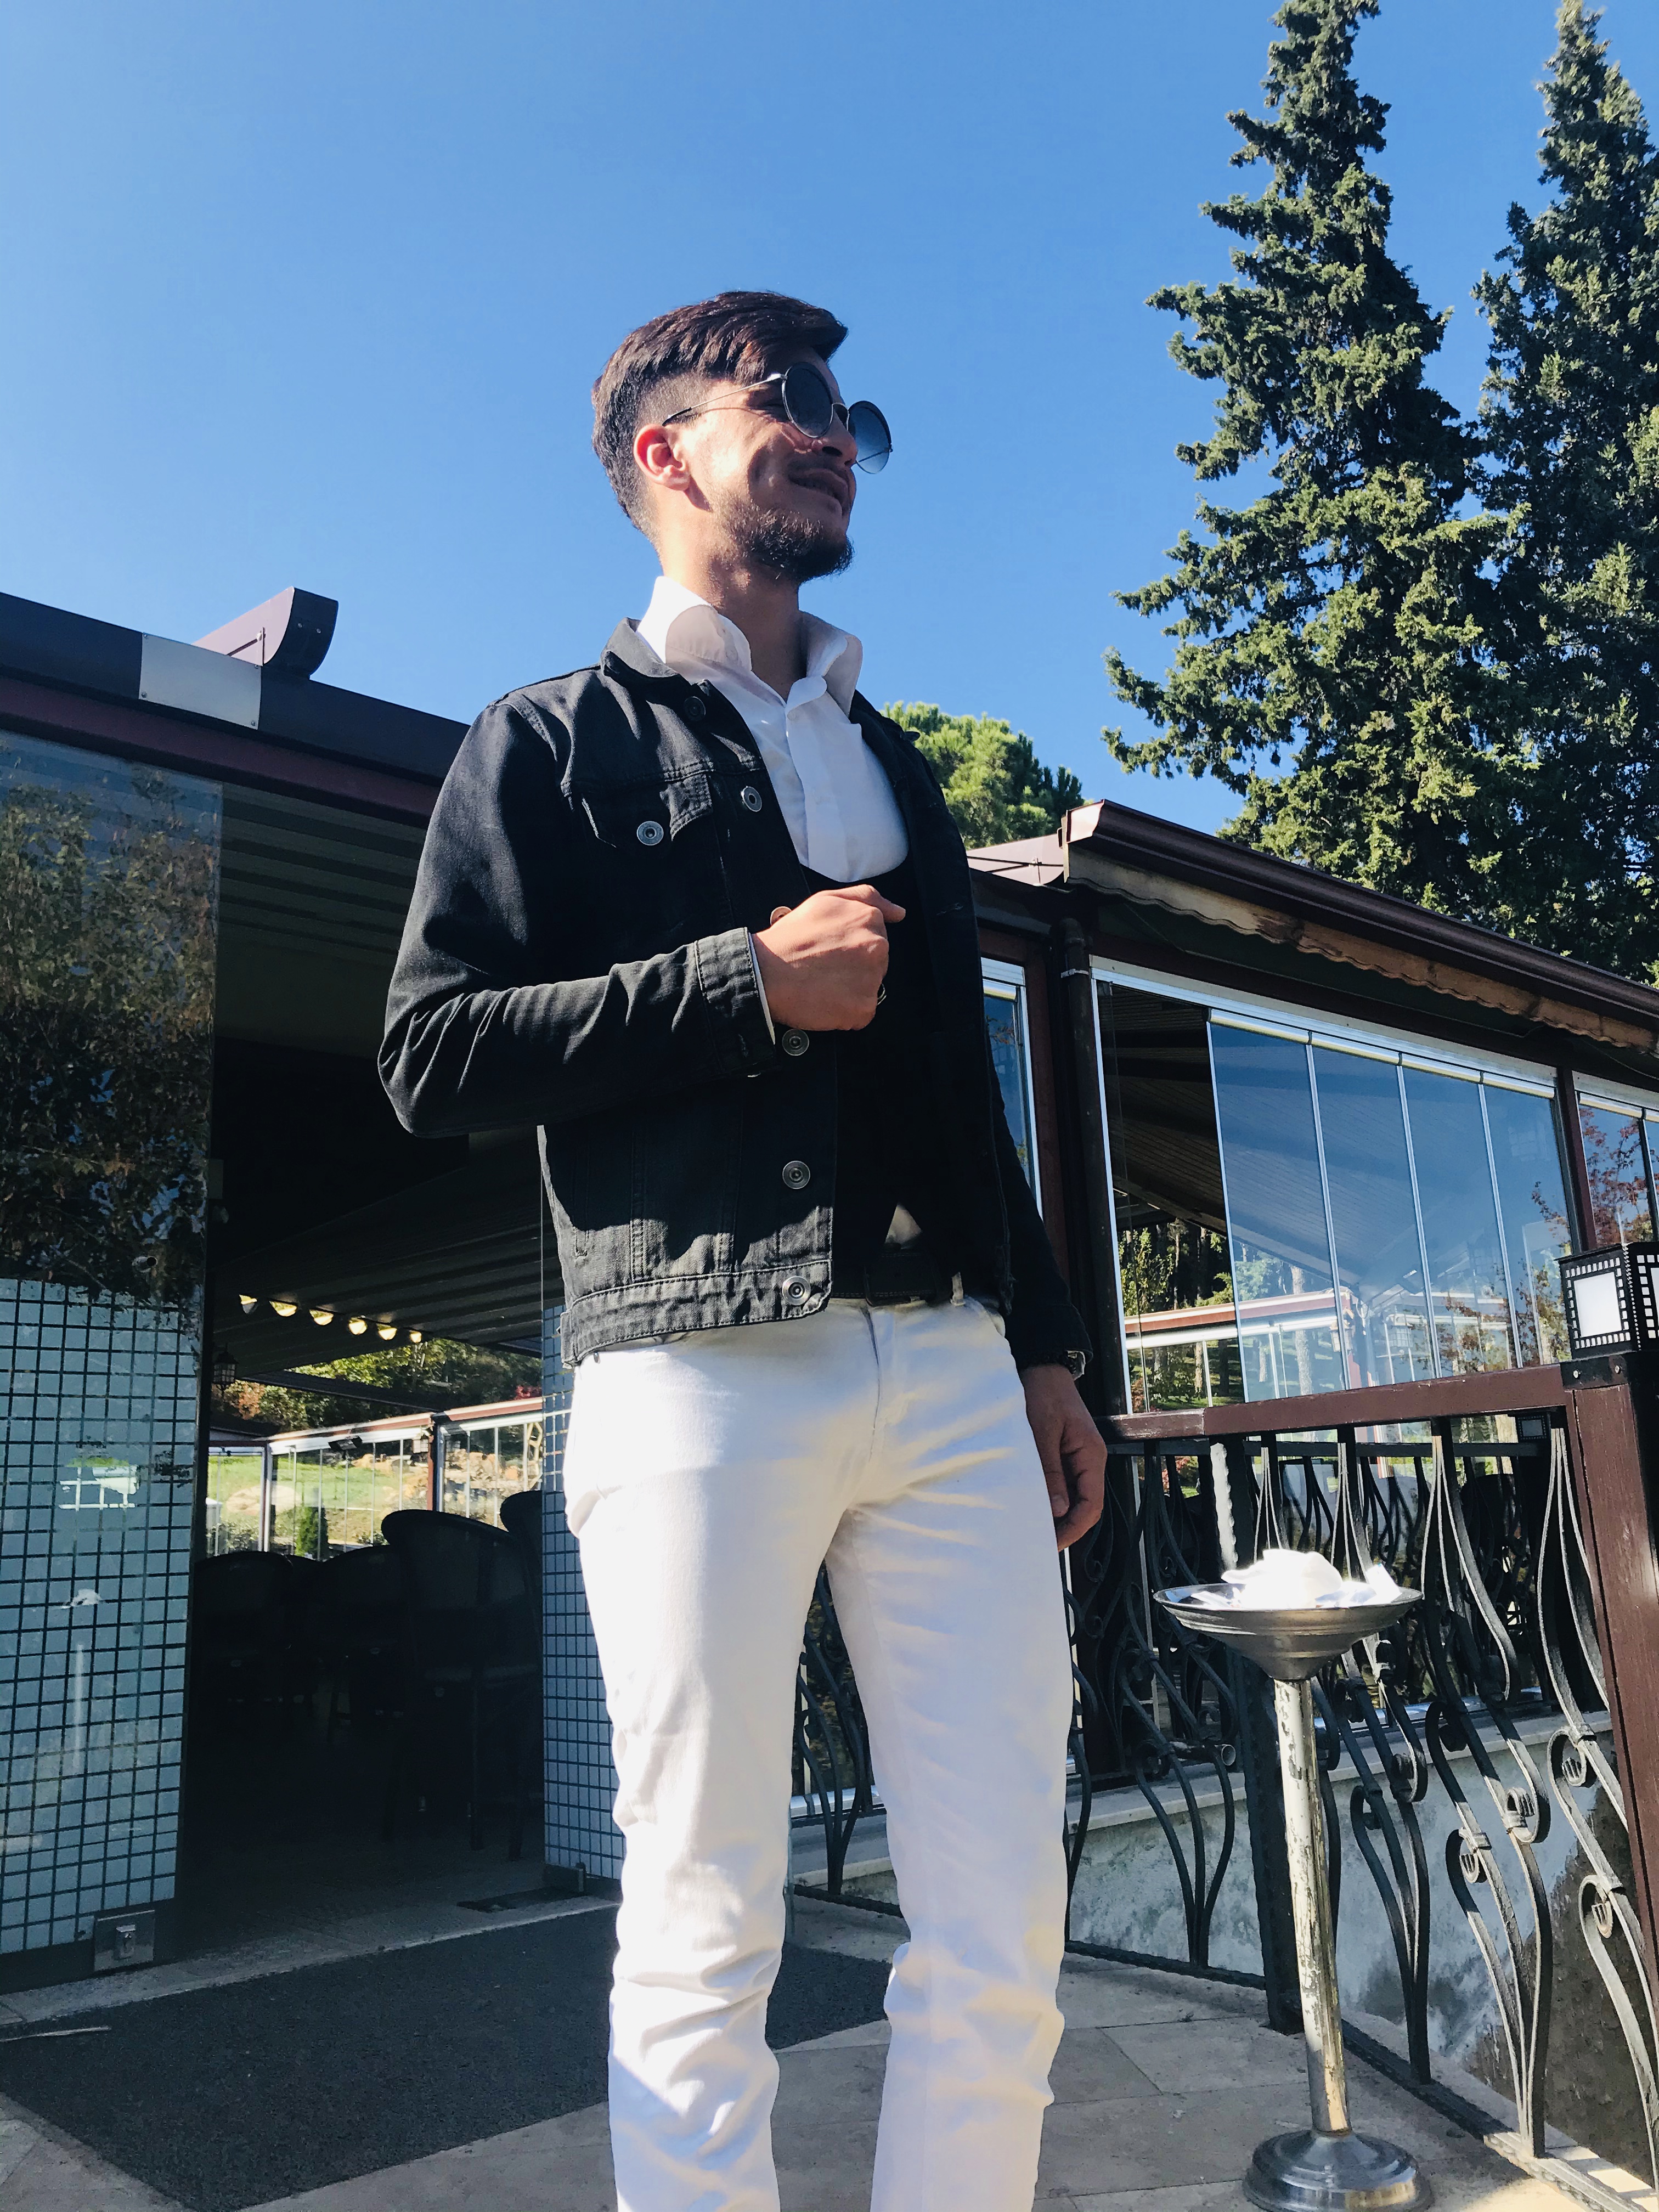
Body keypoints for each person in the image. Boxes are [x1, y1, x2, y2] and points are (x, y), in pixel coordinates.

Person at [381, 290, 1107, 2212]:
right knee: (706, 1923)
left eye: (849, 406)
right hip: (693, 1369)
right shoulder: (543, 744)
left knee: (1006, 1918)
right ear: (664, 453)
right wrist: (747, 988)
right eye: (782, 398)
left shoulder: (896, 765)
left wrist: (1045, 1350)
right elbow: (430, 1054)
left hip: (948, 1365)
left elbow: (962, 1099)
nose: (832, 429)